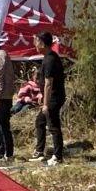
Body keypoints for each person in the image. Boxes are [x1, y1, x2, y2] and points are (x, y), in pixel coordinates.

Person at [33, 31, 65, 166]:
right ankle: (40, 151)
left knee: (53, 126)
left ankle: (58, 156)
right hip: (50, 97)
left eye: (36, 41)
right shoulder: (47, 57)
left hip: (54, 97)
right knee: (40, 121)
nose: (34, 44)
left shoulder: (51, 59)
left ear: (42, 43)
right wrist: (41, 95)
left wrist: (46, 104)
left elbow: (48, 83)